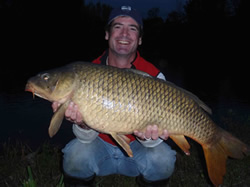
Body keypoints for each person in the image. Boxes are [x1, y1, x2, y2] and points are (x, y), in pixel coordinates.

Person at [52, 6, 176, 187]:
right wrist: (82, 123)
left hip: (138, 152)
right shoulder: (87, 72)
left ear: (140, 39)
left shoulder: (154, 77)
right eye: (118, 26)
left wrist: (147, 137)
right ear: (107, 34)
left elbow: (154, 142)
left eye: (132, 28)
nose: (124, 34)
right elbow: (86, 139)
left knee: (163, 158)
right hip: (101, 150)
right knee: (75, 155)